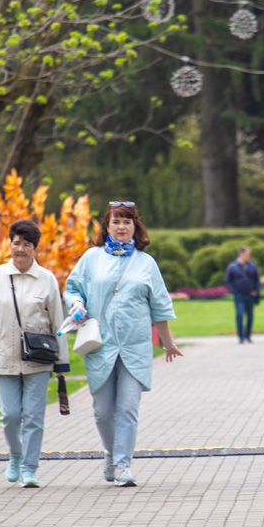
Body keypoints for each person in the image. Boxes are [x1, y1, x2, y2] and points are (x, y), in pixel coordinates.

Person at [65, 202, 183, 487]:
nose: (121, 227)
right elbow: (72, 288)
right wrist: (77, 304)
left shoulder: (146, 263)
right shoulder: (91, 258)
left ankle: (122, 465)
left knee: (128, 408)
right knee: (103, 411)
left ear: (135, 227)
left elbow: (160, 306)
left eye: (127, 222)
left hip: (135, 347)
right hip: (100, 346)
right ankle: (110, 452)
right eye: (116, 221)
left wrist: (168, 344)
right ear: (107, 226)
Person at [0, 218, 69, 489]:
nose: (20, 249)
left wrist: (61, 363)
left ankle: (29, 468)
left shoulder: (47, 279)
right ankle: (16, 455)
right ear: (10, 245)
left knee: (34, 417)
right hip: (3, 355)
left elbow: (58, 322)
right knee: (10, 416)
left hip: (39, 359)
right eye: (16, 243)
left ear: (35, 249)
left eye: (27, 245)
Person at [224, 246, 260, 344]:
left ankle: (247, 335)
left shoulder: (252, 266)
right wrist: (234, 291)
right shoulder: (232, 266)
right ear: (241, 254)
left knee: (250, 315)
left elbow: (257, 280)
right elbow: (228, 281)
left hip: (250, 294)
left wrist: (256, 291)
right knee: (239, 314)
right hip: (239, 295)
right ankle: (240, 336)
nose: (249, 257)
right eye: (247, 255)